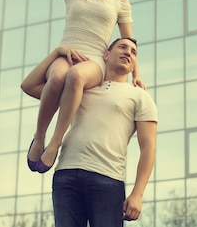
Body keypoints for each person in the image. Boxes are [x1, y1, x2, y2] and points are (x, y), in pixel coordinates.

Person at [21, 0, 144, 174]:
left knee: (75, 76)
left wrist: (136, 75)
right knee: (57, 76)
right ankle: (39, 138)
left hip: (95, 59)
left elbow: (129, 41)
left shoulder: (119, 1)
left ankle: (55, 142)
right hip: (68, 51)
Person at [22, 38, 157, 226]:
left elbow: (148, 148)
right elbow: (29, 86)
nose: (128, 52)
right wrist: (56, 53)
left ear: (134, 65)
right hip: (66, 175)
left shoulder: (140, 96)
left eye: (134, 52)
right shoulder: (79, 88)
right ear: (106, 55)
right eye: (123, 47)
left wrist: (137, 194)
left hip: (108, 179)